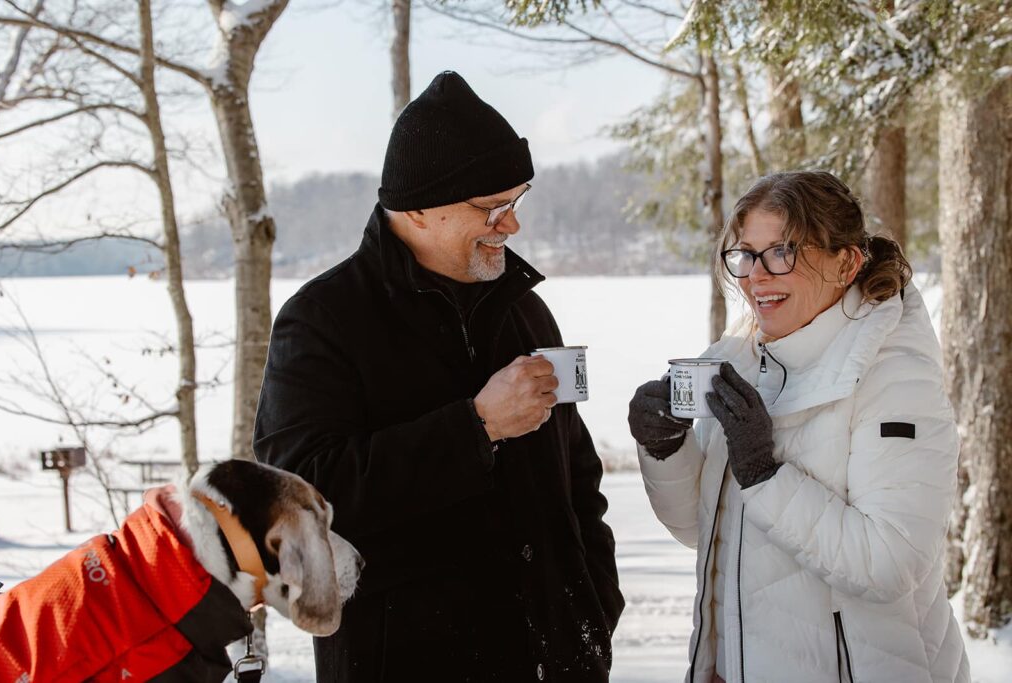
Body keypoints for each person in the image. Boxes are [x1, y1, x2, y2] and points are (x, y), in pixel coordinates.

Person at [254, 71, 623, 682]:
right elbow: (294, 504)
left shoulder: (522, 309)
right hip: (407, 661)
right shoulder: (324, 319)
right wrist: (475, 428)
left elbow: (577, 477)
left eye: (517, 201)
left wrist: (593, 601)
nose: (512, 226)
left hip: (556, 658)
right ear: (418, 208)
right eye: (492, 208)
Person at [628, 170, 969, 683]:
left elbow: (889, 562)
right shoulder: (736, 360)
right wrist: (665, 448)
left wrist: (765, 473)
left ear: (846, 262)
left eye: (782, 252)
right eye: (745, 254)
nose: (755, 276)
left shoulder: (893, 375)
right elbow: (701, 532)